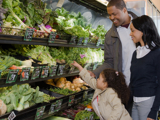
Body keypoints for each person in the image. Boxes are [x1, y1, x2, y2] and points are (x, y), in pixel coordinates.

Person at [130, 15, 160, 120]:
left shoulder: (156, 53)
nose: (130, 34)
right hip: (135, 102)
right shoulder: (135, 53)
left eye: (133, 31)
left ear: (142, 31)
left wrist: (153, 112)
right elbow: (133, 81)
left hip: (148, 102)